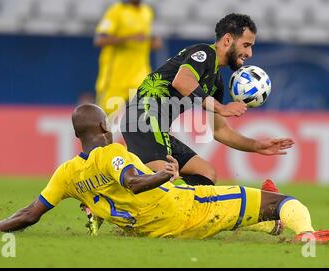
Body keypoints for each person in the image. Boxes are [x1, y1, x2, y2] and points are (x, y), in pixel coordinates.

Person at [0, 104, 329, 245]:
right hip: (182, 208)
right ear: (104, 130)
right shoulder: (111, 153)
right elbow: (133, 181)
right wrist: (165, 175)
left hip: (152, 231)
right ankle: (305, 233)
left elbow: (29, 215)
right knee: (283, 203)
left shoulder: (67, 173)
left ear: (76, 136)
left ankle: (268, 227)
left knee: (230, 220)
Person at [120, 12, 294, 186]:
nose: (249, 53)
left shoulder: (216, 81)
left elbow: (220, 131)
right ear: (227, 40)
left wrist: (256, 146)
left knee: (206, 173)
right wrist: (221, 107)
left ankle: (190, 211)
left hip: (156, 126)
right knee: (163, 181)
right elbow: (182, 81)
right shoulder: (204, 53)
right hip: (143, 117)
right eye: (246, 45)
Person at [94, 0, 162, 115]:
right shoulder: (115, 11)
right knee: (104, 126)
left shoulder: (147, 12)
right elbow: (100, 39)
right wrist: (128, 38)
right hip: (114, 81)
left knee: (149, 121)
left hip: (140, 77)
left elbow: (149, 41)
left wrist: (153, 42)